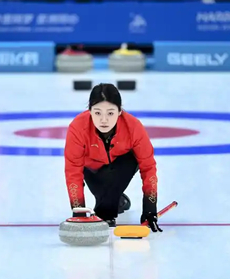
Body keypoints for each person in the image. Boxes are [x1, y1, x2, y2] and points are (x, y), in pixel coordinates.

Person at [63, 83, 162, 232]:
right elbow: (73, 171)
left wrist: (150, 209)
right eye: (97, 113)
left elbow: (148, 168)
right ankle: (116, 199)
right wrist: (79, 211)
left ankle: (112, 201)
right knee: (106, 198)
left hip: (123, 167)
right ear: (89, 111)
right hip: (92, 171)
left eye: (110, 113)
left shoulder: (133, 127)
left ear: (119, 111)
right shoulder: (77, 128)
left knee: (105, 210)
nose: (104, 120)